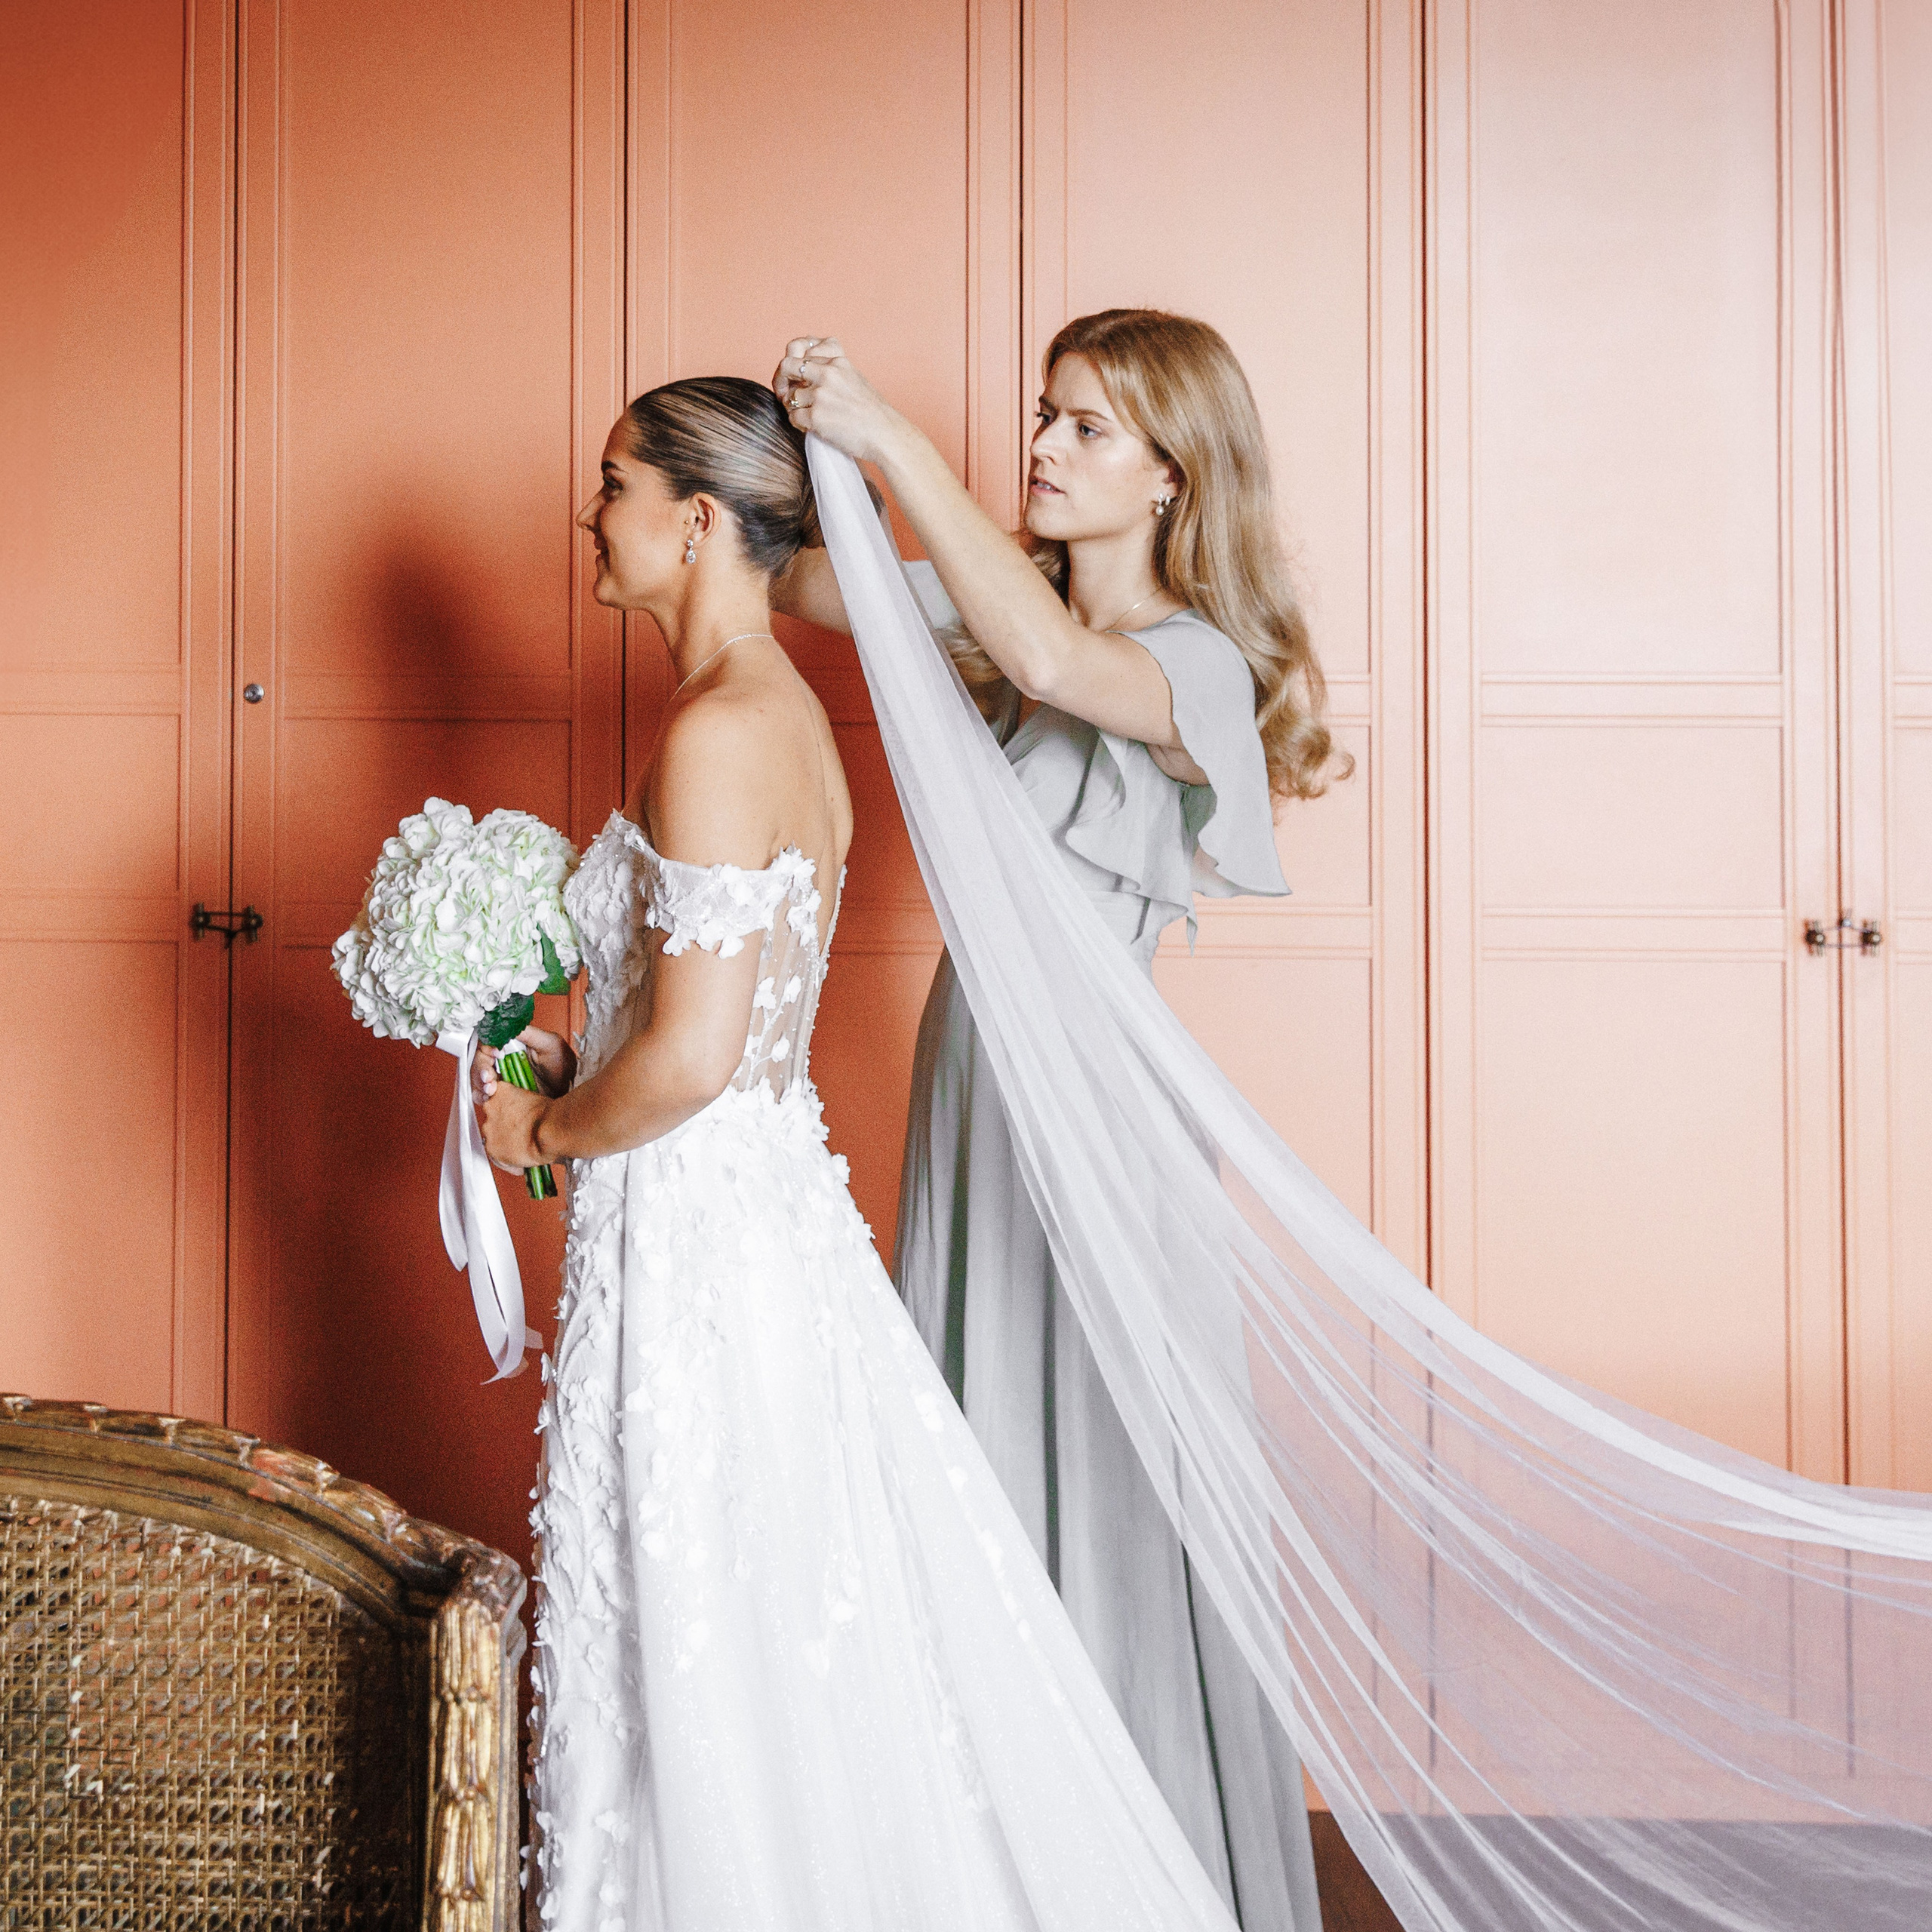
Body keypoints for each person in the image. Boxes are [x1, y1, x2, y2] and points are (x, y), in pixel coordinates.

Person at [475, 375, 1244, 1930]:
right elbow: (712, 1019)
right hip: (747, 1201)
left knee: (711, 1591)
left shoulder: (732, 728)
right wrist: (574, 1061)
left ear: (693, 519)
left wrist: (546, 1125)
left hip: (737, 1213)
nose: (584, 517)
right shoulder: (775, 713)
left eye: (613, 485)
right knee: (763, 1589)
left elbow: (694, 1056)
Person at [771, 309, 1348, 1928]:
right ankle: (993, 1865)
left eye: (1085, 428)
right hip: (976, 1091)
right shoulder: (998, 617)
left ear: (1171, 477)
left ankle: (1131, 1873)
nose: (1041, 446)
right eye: (1044, 414)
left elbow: (1042, 659)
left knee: (1091, 1486)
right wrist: (769, 451)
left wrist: (888, 435)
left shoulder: (1196, 669)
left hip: (1088, 1124)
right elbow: (817, 587)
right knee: (972, 1466)